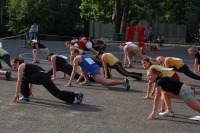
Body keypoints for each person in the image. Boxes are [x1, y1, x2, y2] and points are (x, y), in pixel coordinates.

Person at [11, 58, 83, 104]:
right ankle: (76, 94)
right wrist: (30, 90)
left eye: (14, 65)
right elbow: (28, 78)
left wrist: (16, 94)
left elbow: (19, 81)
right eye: (12, 66)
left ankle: (25, 96)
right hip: (45, 76)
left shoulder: (21, 66)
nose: (13, 67)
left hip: (40, 76)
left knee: (21, 79)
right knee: (56, 92)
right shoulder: (27, 64)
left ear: (17, 62)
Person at [65, 49, 130, 91]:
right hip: (96, 68)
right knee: (81, 67)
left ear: (76, 53)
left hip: (94, 71)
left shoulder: (76, 58)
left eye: (72, 54)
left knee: (106, 83)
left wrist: (69, 82)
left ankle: (123, 82)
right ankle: (87, 81)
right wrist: (78, 80)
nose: (71, 56)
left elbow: (74, 71)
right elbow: (83, 69)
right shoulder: (83, 56)